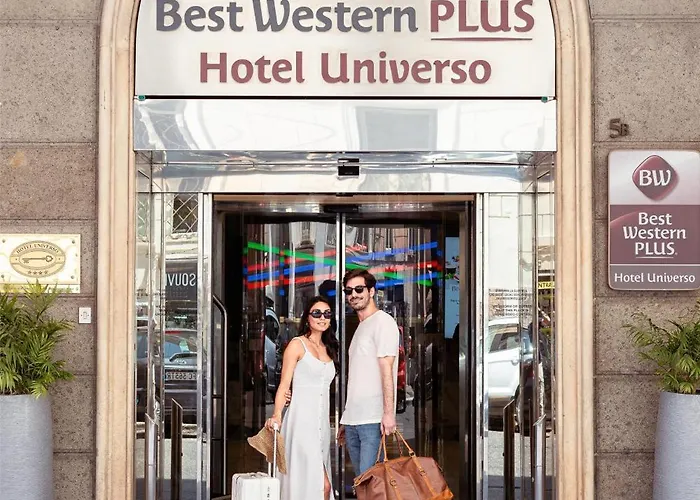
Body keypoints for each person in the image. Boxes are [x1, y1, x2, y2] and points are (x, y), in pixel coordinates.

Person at [265, 296, 338, 500]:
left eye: (327, 314)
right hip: (301, 424)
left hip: (322, 425)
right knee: (322, 486)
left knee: (314, 483)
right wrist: (277, 414)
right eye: (317, 313)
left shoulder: (329, 348)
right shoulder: (297, 345)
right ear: (307, 317)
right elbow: (284, 385)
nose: (322, 318)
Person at [337, 269, 400, 476]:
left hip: (372, 419)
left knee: (371, 483)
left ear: (371, 291)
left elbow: (386, 370)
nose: (353, 295)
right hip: (354, 420)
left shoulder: (383, 322)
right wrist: (347, 418)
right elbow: (358, 377)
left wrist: (388, 414)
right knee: (362, 483)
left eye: (359, 289)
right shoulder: (361, 326)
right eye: (349, 291)